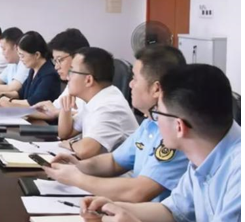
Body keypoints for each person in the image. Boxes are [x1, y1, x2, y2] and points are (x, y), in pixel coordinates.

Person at [80, 64, 240, 222]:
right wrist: (114, 208)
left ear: (179, 127)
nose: (154, 120)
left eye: (158, 113)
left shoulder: (239, 173)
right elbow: (174, 212)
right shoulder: (205, 151)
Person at [44, 45, 189, 202]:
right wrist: (78, 166)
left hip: (141, 210)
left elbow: (139, 192)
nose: (130, 85)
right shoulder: (150, 123)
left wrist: (77, 178)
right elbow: (113, 162)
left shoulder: (175, 133)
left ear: (156, 89)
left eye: (135, 79)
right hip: (130, 206)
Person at [56, 47, 138, 159]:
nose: (67, 77)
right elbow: (65, 134)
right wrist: (66, 109)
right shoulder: (94, 98)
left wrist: (70, 144)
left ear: (88, 80)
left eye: (72, 71)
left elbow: (85, 151)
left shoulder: (110, 106)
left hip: (118, 170)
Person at [30, 28, 91, 121]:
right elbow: (51, 111)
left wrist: (57, 112)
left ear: (78, 57)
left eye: (60, 60)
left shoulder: (90, 86)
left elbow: (89, 117)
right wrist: (18, 112)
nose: (56, 67)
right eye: (55, 61)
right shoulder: (71, 83)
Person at [0, 31, 61, 107]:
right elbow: (20, 93)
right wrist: (1, 94)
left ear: (37, 55)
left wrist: (8, 100)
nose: (21, 59)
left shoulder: (49, 75)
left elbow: (32, 103)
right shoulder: (33, 70)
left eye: (22, 56)